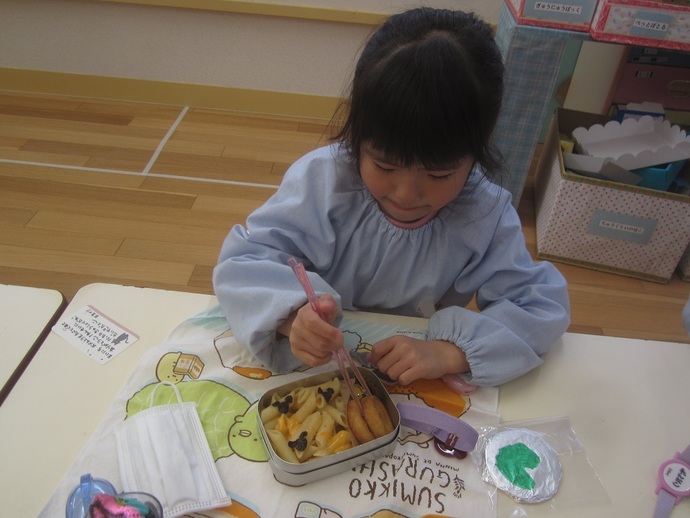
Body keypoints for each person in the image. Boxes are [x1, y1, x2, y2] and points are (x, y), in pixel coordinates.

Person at [213, 7, 570, 387]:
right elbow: (244, 265)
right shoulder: (324, 182)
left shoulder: (484, 212)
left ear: (476, 152)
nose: (405, 194)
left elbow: (539, 306)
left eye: (438, 174)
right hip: (320, 365)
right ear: (357, 137)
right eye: (384, 166)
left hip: (415, 372)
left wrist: (450, 352)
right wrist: (291, 317)